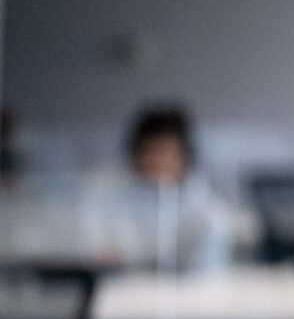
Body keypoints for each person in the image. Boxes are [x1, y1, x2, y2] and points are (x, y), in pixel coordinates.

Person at [77, 103, 238, 274]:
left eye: (162, 151)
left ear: (184, 155)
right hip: (120, 291)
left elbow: (207, 274)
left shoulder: (209, 212)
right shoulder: (106, 193)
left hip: (185, 295)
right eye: (146, 151)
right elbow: (93, 250)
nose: (153, 160)